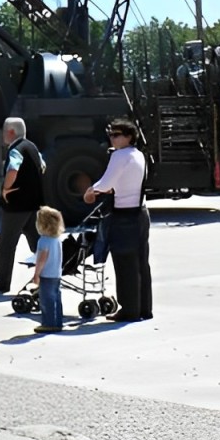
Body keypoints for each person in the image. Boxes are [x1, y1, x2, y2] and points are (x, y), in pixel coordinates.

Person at [84, 117, 152, 322]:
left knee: (124, 263)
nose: (112, 138)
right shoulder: (138, 155)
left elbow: (106, 183)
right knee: (141, 263)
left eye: (116, 135)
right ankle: (144, 308)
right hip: (141, 213)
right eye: (110, 134)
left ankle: (129, 309)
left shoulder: (120, 156)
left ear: (128, 137)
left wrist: (91, 190)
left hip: (124, 216)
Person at [0, 117, 44, 294]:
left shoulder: (16, 150)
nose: (3, 135)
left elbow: (13, 168)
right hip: (34, 205)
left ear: (11, 132)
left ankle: (1, 282)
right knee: (38, 244)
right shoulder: (32, 147)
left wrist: (6, 188)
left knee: (6, 245)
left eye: (4, 131)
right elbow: (43, 166)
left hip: (17, 207)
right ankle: (46, 278)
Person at [31, 206, 65, 333]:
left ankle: (48, 323)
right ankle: (58, 322)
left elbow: (42, 259)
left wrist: (36, 274)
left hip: (46, 275)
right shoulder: (57, 240)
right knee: (56, 298)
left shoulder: (43, 241)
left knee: (46, 300)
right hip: (56, 274)